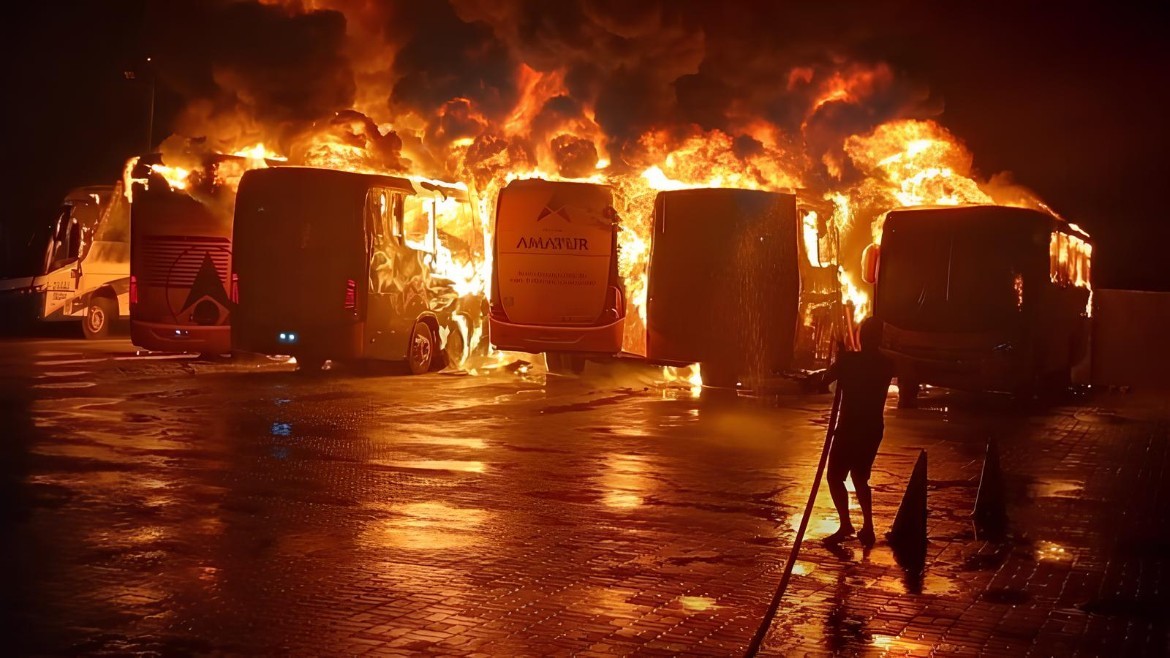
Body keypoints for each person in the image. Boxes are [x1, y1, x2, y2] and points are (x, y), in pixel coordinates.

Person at [820, 317, 895, 547]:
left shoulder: (851, 362)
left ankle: (846, 524)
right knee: (860, 478)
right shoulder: (886, 364)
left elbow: (825, 381)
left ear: (862, 338)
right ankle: (868, 527)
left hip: (850, 427)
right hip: (872, 428)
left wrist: (838, 361)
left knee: (835, 477)